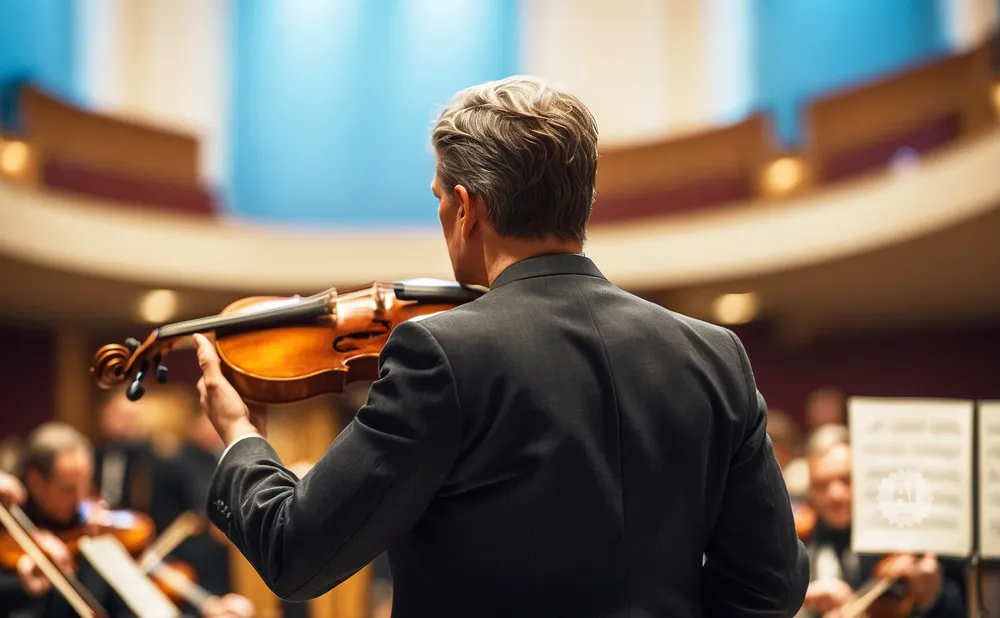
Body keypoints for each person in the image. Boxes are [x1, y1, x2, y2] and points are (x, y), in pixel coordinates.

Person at [194, 75, 809, 617]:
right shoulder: (715, 355)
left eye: (439, 197)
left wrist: (241, 436)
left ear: (467, 208)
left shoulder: (439, 354)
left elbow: (297, 553)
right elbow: (771, 587)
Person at [0, 424, 253, 618]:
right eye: (67, 489)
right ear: (35, 481)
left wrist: (207, 604)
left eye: (85, 485)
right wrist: (23, 583)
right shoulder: (10, 526)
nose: (79, 499)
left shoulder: (95, 527)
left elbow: (141, 577)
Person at [799, 426, 964, 618]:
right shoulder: (799, 542)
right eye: (821, 484)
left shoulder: (901, 539)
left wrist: (932, 598)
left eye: (846, 480)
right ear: (810, 491)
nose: (836, 495)